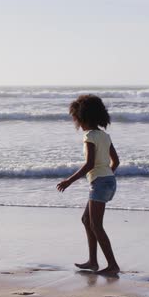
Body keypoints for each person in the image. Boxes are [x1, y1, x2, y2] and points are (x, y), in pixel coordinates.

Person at [57, 94, 121, 275]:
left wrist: (69, 180)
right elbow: (115, 161)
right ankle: (93, 261)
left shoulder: (90, 137)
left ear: (82, 118)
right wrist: (108, 176)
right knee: (87, 220)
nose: (75, 122)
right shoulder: (104, 135)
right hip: (107, 180)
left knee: (97, 225)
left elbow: (90, 164)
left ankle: (112, 265)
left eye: (75, 118)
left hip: (100, 183)